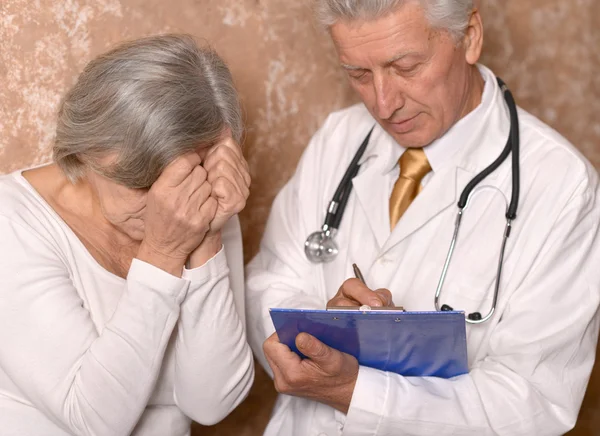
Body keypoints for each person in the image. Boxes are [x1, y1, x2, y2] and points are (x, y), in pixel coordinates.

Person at [245, 1, 600, 435]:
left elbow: (534, 401)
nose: (383, 103)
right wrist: (325, 329)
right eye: (358, 73)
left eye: (406, 67)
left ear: (469, 37)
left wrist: (357, 390)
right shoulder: (339, 139)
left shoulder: (562, 184)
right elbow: (267, 283)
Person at [0, 34, 254, 436]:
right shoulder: (11, 221)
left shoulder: (199, 201)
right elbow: (92, 419)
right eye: (141, 181)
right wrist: (163, 253)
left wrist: (207, 239)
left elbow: (210, 403)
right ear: (87, 148)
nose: (166, 205)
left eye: (186, 176)